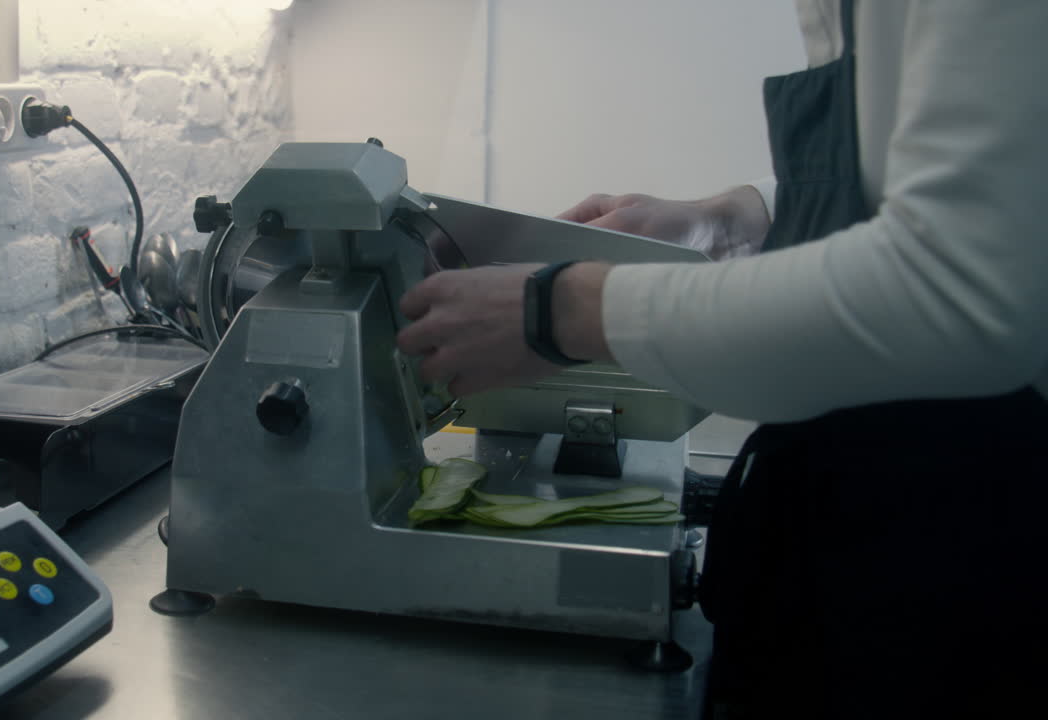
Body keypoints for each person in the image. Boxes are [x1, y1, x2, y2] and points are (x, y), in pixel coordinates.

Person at [397, 1, 1048, 718]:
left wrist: (564, 308)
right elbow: (924, 177)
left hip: (968, 550)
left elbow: (958, 283)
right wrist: (733, 219)